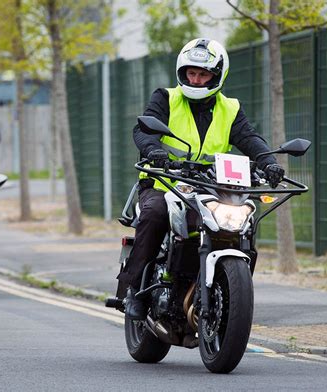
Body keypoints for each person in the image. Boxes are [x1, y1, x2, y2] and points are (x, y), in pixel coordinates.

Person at [118, 38, 285, 320]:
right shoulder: (166, 98)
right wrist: (154, 150)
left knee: (243, 224)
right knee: (155, 214)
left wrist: (269, 162)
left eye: (203, 74)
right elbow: (144, 129)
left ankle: (234, 292)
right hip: (165, 182)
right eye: (191, 73)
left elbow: (248, 138)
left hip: (211, 187)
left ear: (217, 75)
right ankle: (134, 289)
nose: (195, 80)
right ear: (182, 73)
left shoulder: (230, 108)